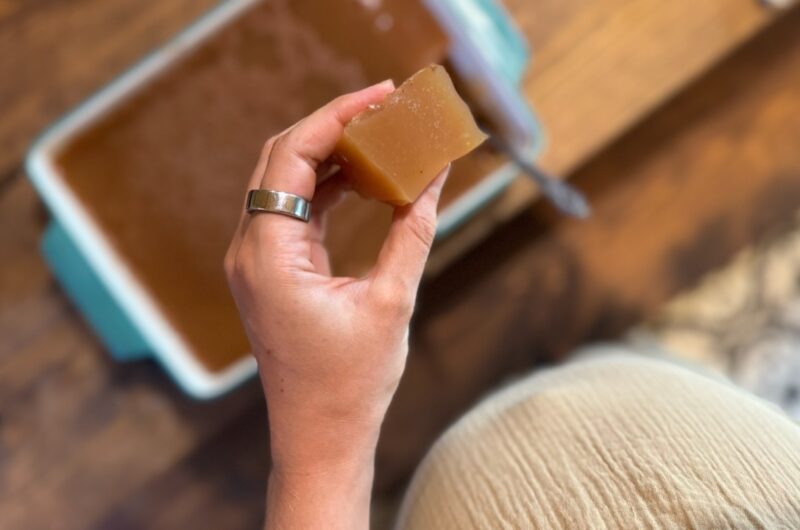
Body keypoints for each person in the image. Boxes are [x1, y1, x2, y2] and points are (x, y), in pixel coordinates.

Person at [225, 82, 800, 529]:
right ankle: (592, 368)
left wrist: (324, 445)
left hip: (472, 497)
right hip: (717, 449)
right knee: (613, 371)